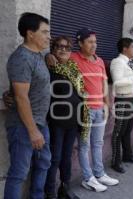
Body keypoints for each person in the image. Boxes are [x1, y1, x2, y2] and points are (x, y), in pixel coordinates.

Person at [46, 28, 119, 191]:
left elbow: (103, 84)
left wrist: (107, 104)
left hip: (99, 108)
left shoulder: (99, 61)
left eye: (95, 41)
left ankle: (99, 173)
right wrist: (48, 55)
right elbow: (56, 56)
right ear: (80, 43)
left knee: (98, 143)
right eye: (90, 42)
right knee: (84, 146)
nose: (94, 45)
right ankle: (88, 178)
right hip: (84, 112)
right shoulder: (73, 58)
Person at [4, 12, 52, 199]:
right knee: (19, 173)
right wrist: (33, 131)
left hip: (40, 122)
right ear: (30, 34)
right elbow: (21, 97)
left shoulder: (38, 55)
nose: (49, 36)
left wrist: (50, 56)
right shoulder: (21, 58)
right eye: (45, 32)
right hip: (24, 126)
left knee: (43, 164)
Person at [44, 36, 82, 198]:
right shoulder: (49, 68)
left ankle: (65, 189)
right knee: (55, 158)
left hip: (73, 121)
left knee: (67, 157)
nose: (63, 50)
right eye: (59, 46)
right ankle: (50, 192)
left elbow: (81, 94)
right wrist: (46, 56)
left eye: (67, 47)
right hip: (56, 121)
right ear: (52, 49)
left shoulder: (74, 69)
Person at [110, 38, 133, 173]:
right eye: (132, 47)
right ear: (125, 48)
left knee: (127, 130)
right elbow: (117, 82)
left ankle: (127, 156)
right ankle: (115, 161)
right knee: (118, 132)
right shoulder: (117, 62)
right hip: (122, 100)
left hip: (131, 99)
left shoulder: (131, 63)